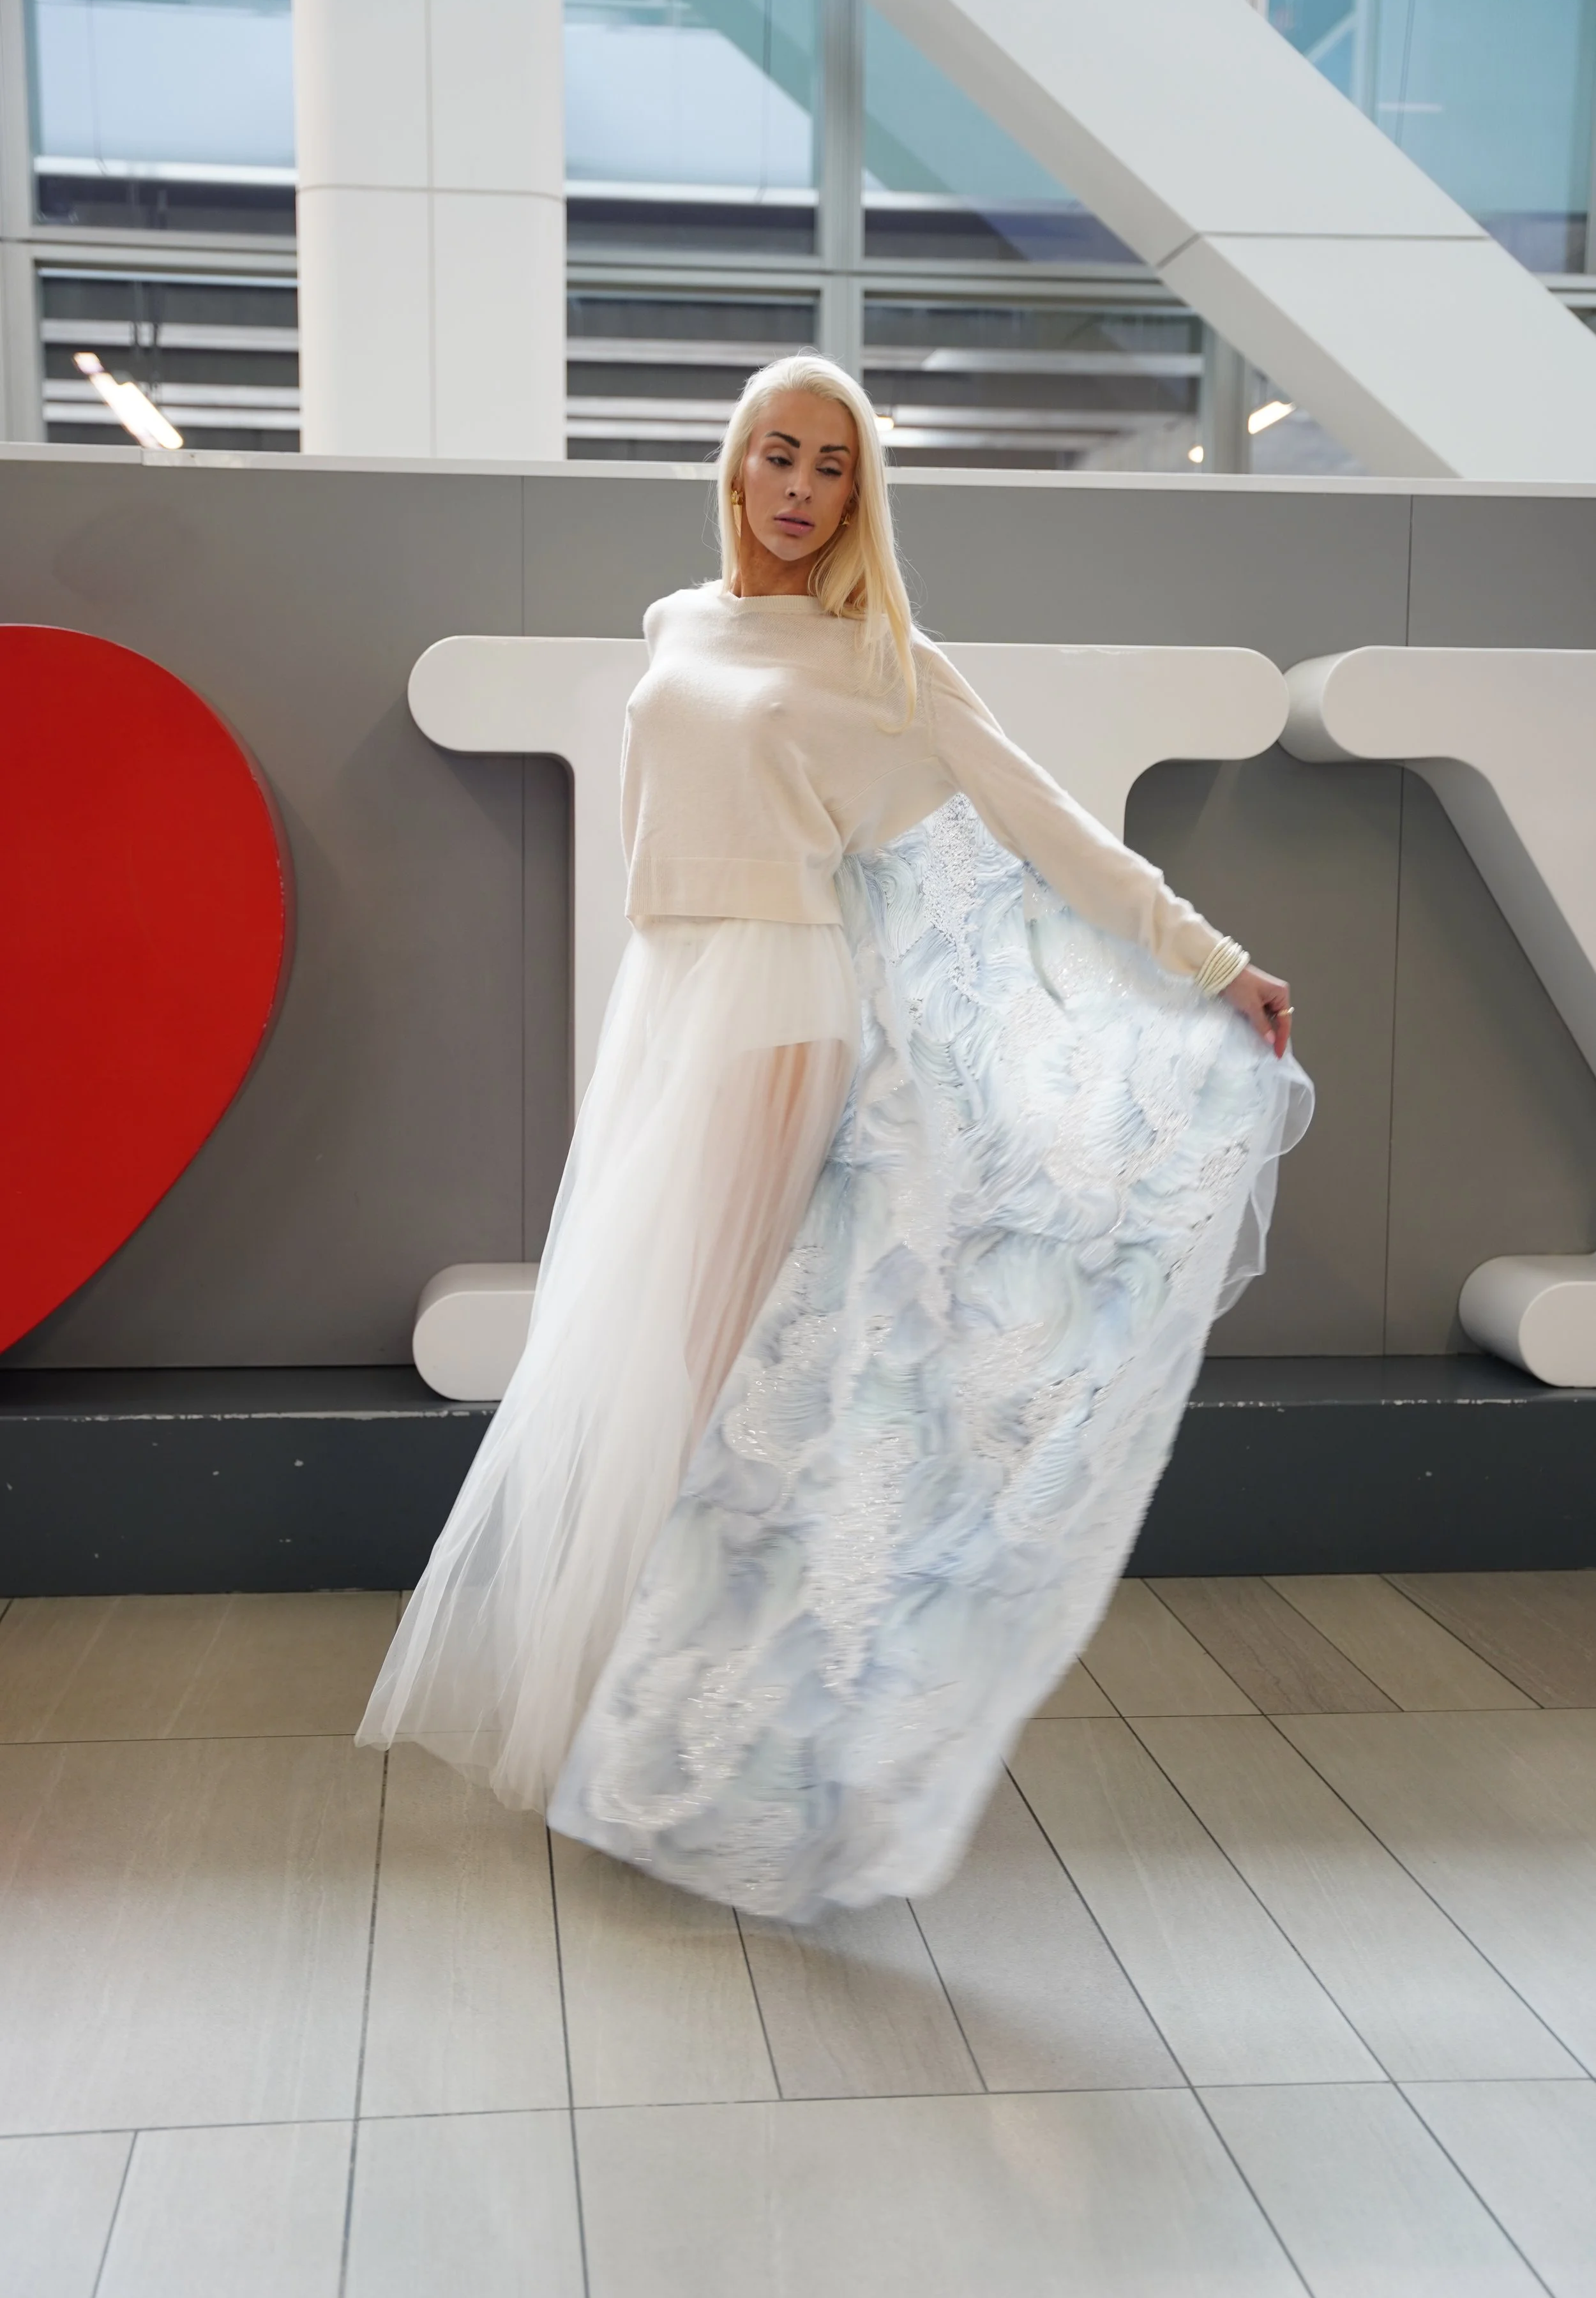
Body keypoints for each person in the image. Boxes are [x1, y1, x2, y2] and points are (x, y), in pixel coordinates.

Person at [358, 354, 1311, 1919]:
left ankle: (714, 1730)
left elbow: (1046, 824)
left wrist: (1210, 961)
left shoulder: (885, 659)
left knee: (703, 1360)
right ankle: (654, 1706)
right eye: (779, 456)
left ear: (858, 496)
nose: (802, 488)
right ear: (733, 467)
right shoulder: (678, 624)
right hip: (669, 1001)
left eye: (834, 468)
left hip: (778, 1009)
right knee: (652, 1353)